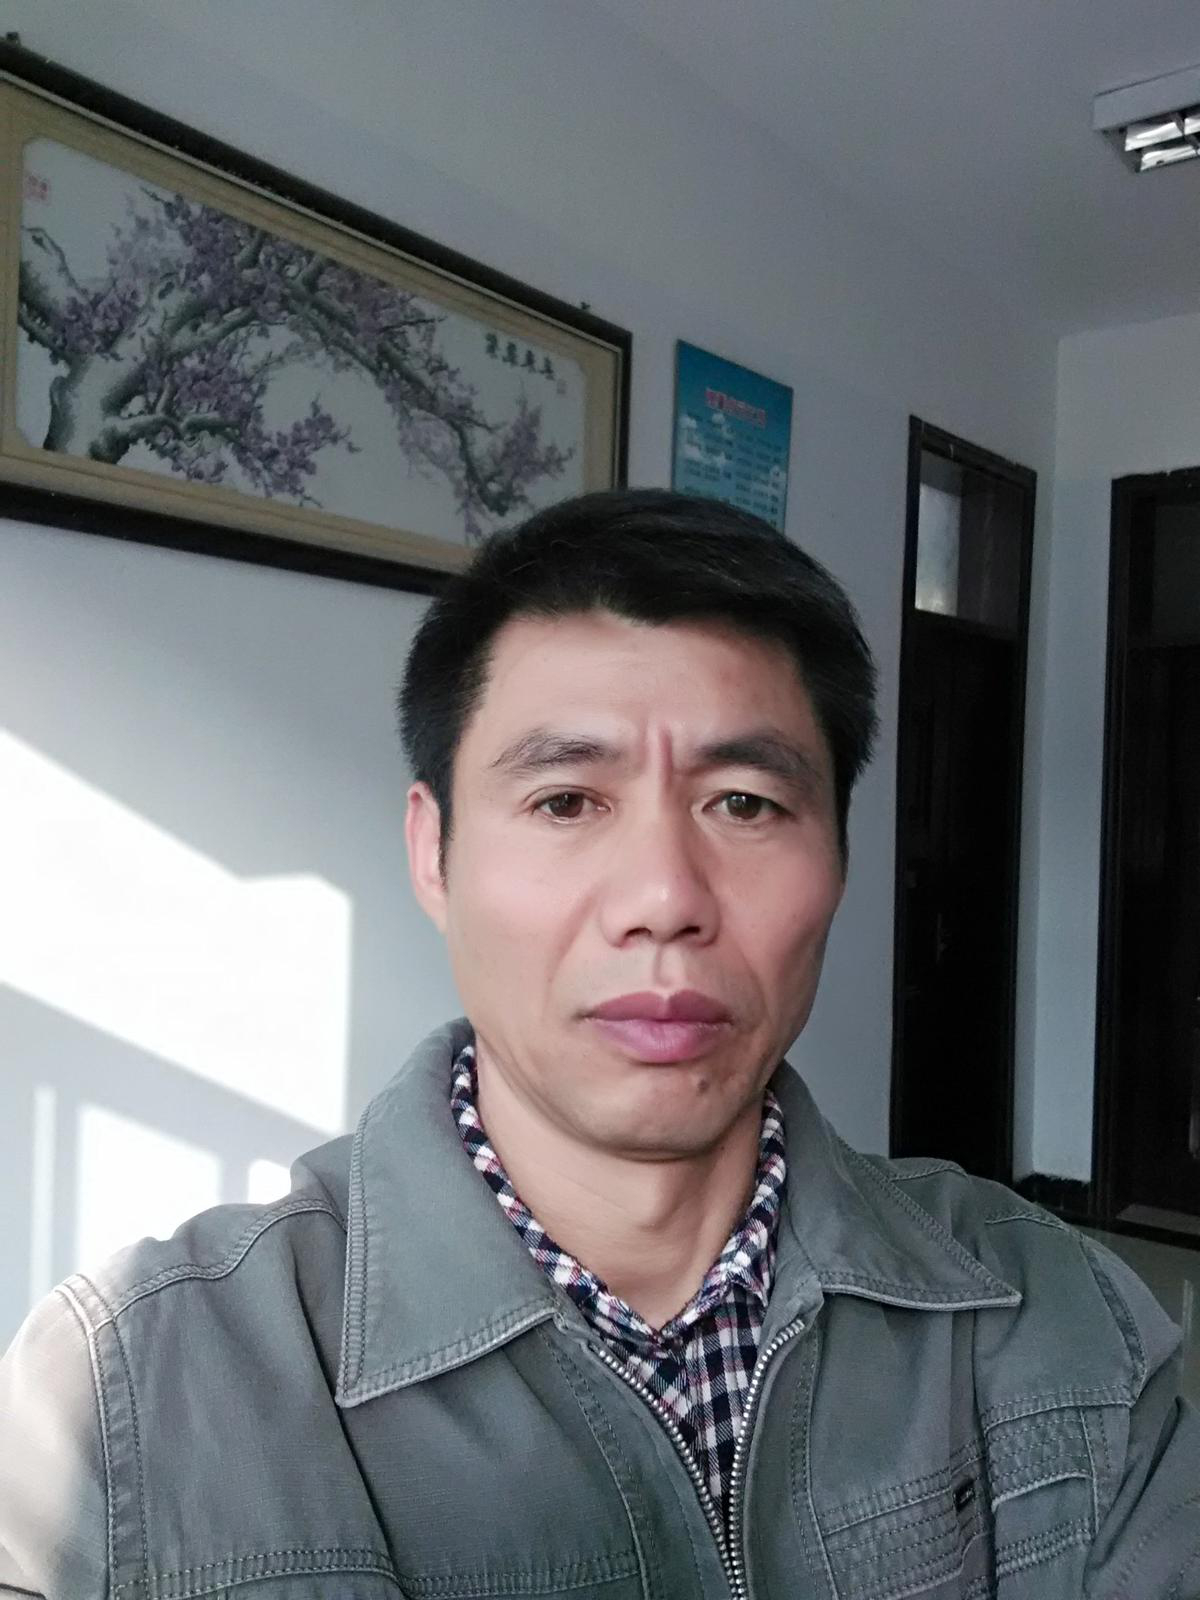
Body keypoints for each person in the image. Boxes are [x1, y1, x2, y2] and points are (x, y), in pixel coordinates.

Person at [1, 488, 1197, 1599]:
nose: (664, 897)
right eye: (566, 801)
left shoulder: (1058, 1319)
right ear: (433, 853)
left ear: (839, 855)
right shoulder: (135, 1389)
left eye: (746, 803)